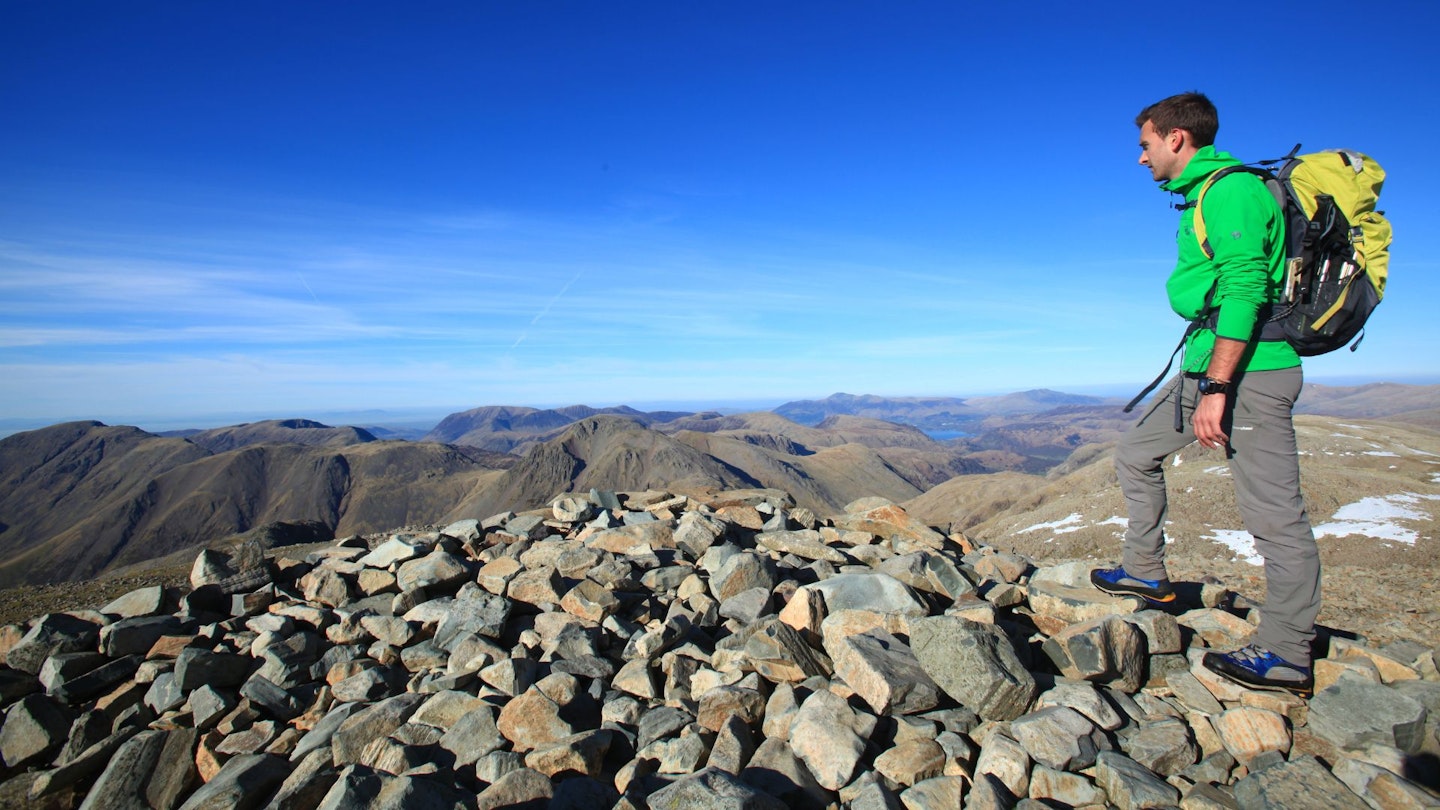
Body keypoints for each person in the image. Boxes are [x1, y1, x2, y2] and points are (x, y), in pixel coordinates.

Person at [1090, 92, 1319, 697]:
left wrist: (1218, 387)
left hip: (1250, 373)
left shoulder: (1229, 191)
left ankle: (1288, 652)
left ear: (1175, 139)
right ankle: (1144, 573)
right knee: (1136, 452)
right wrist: (1206, 378)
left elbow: (1245, 287)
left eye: (1144, 145)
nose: (1140, 158)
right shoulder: (1201, 195)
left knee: (1275, 518)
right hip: (1204, 366)